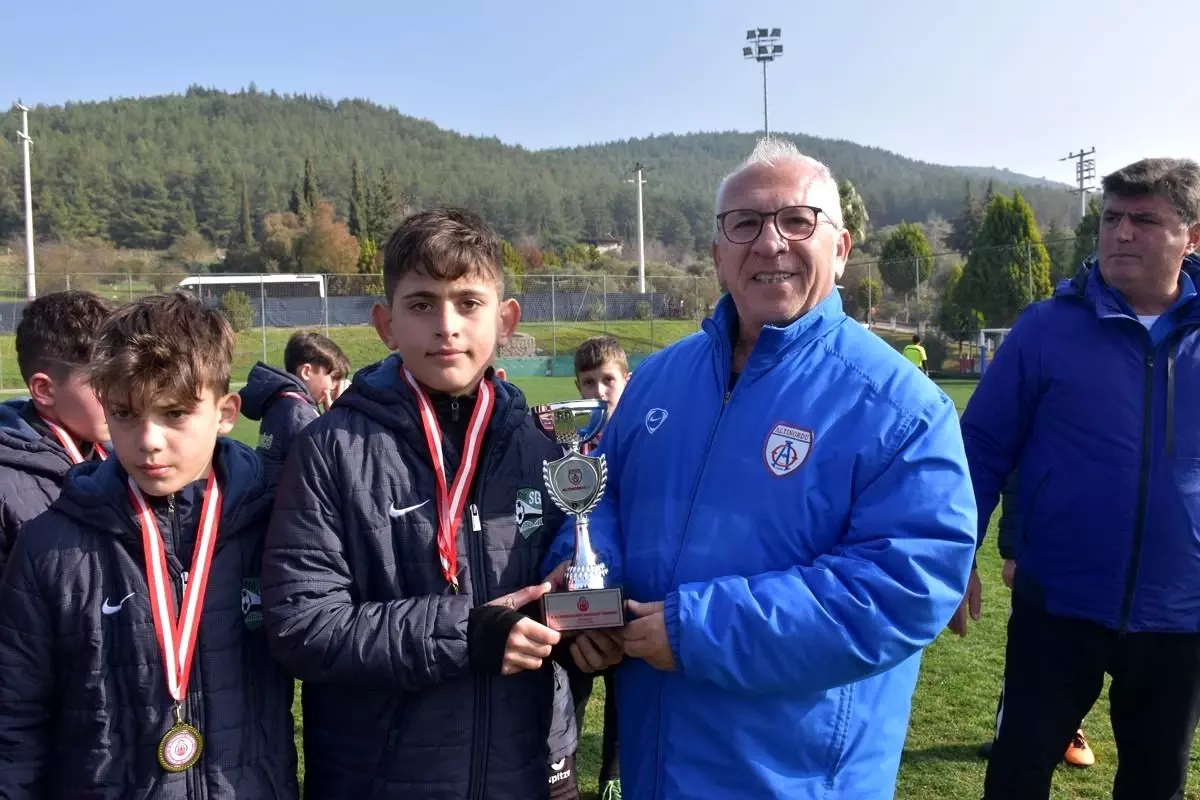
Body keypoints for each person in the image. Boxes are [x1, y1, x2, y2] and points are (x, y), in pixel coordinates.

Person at [544, 139, 977, 798]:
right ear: (718, 252)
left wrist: (699, 630)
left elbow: (903, 586)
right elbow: (597, 500)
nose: (769, 242)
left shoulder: (900, 407)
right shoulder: (657, 382)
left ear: (841, 246)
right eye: (743, 224)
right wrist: (587, 593)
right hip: (657, 765)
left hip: (796, 777)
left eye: (797, 221)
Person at [261, 207, 621, 800]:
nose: (447, 325)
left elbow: (552, 602)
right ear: (386, 324)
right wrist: (466, 634)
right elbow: (303, 626)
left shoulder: (542, 448)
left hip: (524, 772)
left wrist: (586, 638)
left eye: (469, 303)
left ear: (507, 320)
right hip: (380, 778)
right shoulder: (330, 449)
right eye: (422, 304)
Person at [957, 158, 1200, 800]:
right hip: (1057, 604)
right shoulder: (1047, 328)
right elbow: (980, 449)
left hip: (1182, 616)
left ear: (1193, 237)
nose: (1121, 233)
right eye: (1112, 218)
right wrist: (959, 558)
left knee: (1156, 783)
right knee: (1018, 772)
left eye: (1144, 220)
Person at [0, 292, 298, 798]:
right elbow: (14, 722)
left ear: (226, 412)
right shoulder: (49, 546)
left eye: (175, 413)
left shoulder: (274, 524)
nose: (149, 440)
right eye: (125, 413)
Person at [539, 335, 630, 800]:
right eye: (588, 381)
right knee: (570, 685)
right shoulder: (564, 450)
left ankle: (613, 776)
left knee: (623, 692)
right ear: (577, 387)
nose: (598, 391)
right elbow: (560, 519)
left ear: (625, 382)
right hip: (574, 594)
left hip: (628, 591)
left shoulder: (639, 443)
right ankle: (561, 768)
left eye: (607, 380)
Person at [971, 471, 1095, 768]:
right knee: (1034, 650)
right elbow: (1016, 475)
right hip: (1049, 551)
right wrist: (1014, 551)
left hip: (1129, 558)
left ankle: (1068, 729)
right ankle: (1019, 733)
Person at [0, 290, 116, 577]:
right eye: (103, 382)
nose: (122, 396)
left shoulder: (122, 456)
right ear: (45, 390)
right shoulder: (6, 486)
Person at [239, 330, 351, 483]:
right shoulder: (298, 412)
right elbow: (328, 467)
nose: (335, 386)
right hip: (289, 502)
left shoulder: (282, 403)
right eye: (333, 378)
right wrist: (336, 417)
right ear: (306, 371)